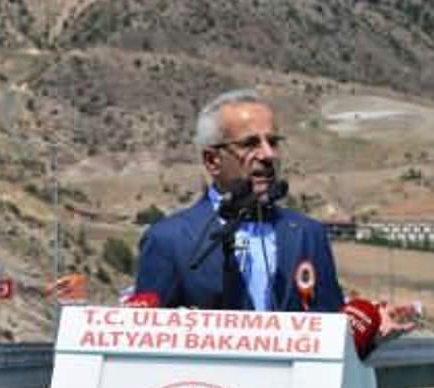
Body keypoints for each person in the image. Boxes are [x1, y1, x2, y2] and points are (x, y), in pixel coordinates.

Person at [134, 89, 412, 347]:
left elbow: (332, 336)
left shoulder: (308, 234)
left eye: (273, 142)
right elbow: (144, 344)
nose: (268, 155)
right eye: (250, 143)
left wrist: (368, 338)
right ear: (212, 160)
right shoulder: (168, 240)